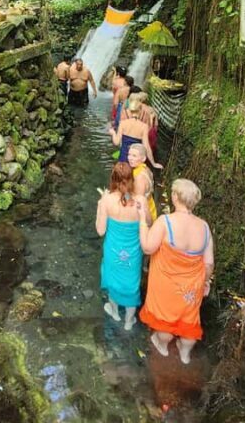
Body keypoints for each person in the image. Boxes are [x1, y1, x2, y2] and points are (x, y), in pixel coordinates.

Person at [137, 179, 214, 365]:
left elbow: (147, 248)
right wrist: (205, 282)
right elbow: (209, 262)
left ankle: (161, 345)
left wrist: (142, 220)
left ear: (175, 197)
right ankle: (185, 352)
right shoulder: (204, 227)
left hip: (167, 284)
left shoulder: (166, 222)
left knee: (165, 323)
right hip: (191, 286)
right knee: (189, 322)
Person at [96, 162, 148, 330]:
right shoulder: (140, 200)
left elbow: (100, 231)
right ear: (131, 179)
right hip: (133, 253)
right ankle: (129, 321)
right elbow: (149, 223)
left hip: (113, 251)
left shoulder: (107, 200)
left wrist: (100, 204)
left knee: (113, 280)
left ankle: (114, 312)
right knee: (132, 283)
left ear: (113, 179)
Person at [110, 97, 162, 167]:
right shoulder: (144, 126)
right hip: (136, 160)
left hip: (123, 159)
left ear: (130, 110)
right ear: (140, 110)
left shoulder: (123, 123)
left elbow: (116, 142)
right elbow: (146, 147)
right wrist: (153, 163)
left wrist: (113, 133)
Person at [128, 143, 157, 222]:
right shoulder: (145, 168)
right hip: (150, 205)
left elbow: (139, 202)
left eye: (134, 156)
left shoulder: (139, 177)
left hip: (145, 215)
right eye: (129, 154)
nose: (130, 158)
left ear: (143, 158)